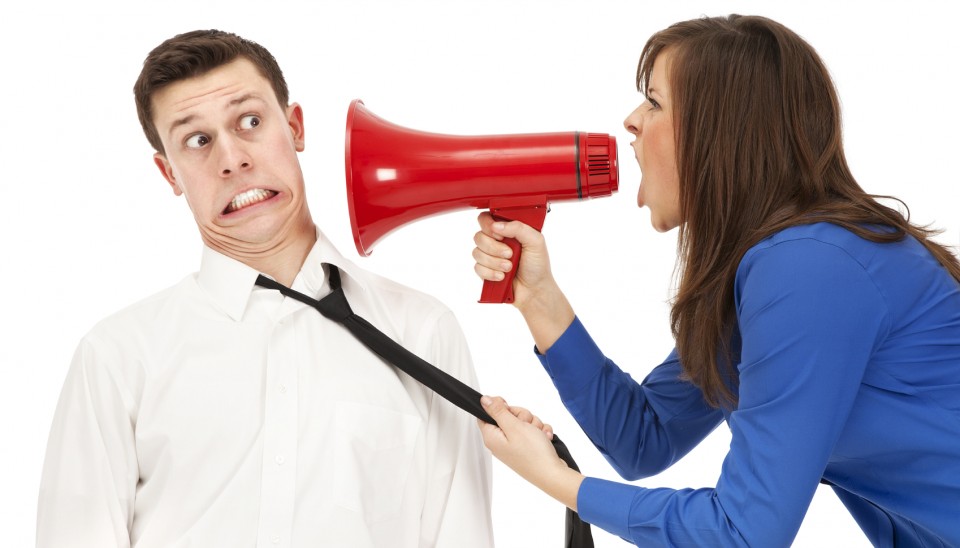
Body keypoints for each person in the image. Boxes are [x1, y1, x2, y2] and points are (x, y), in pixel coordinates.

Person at [471, 14, 960, 547]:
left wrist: (558, 482)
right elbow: (644, 438)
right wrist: (539, 298)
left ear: (720, 132)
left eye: (655, 102)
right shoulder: (774, 266)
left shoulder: (809, 269)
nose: (631, 121)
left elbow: (743, 535)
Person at [36, 29, 493, 548]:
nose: (231, 160)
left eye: (250, 122)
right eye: (197, 140)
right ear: (170, 174)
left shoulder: (422, 332)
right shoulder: (117, 356)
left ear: (294, 126)